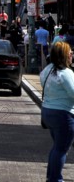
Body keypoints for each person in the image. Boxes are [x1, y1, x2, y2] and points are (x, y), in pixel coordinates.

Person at [40, 41, 74, 182]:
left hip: (48, 112)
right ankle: (55, 179)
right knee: (61, 149)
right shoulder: (66, 73)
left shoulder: (47, 70)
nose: (72, 55)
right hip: (63, 114)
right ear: (64, 55)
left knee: (56, 148)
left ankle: (51, 177)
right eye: (70, 52)